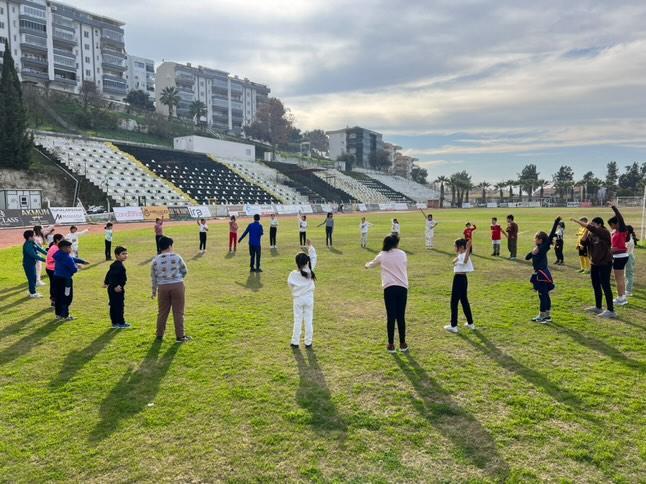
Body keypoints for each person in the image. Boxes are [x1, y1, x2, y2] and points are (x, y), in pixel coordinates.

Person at [365, 235, 409, 353]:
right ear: (396, 243)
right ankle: (403, 343)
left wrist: (366, 265)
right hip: (402, 287)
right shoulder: (402, 254)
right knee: (401, 316)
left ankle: (391, 344)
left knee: (391, 316)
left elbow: (373, 264)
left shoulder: (382, 255)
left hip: (389, 287)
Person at [571, 216, 615, 318]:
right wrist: (586, 230)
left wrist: (579, 222)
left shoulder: (604, 232)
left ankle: (611, 310)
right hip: (594, 263)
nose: (591, 226)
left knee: (606, 286)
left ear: (599, 225)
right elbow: (583, 242)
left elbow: (593, 228)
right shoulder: (591, 233)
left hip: (605, 263)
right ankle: (598, 307)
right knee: (596, 285)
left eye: (594, 224)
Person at [151, 236, 191, 342]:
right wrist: (178, 278)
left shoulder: (155, 260)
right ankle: (180, 336)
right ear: (170, 246)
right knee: (178, 311)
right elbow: (184, 270)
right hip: (177, 285)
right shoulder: (176, 257)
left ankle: (159, 335)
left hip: (162, 287)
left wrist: (154, 290)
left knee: (162, 312)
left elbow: (153, 277)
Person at [526, 218, 560, 323]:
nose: (534, 239)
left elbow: (550, 236)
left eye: (536, 238)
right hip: (541, 274)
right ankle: (547, 315)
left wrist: (555, 222)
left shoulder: (543, 247)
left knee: (543, 295)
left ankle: (542, 316)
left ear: (540, 240)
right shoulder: (537, 248)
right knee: (545, 294)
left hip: (542, 275)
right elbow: (527, 257)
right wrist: (531, 253)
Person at [289, 240, 318, 349]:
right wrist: (310, 246)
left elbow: (290, 286)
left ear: (297, 263)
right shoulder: (310, 271)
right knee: (308, 320)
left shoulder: (293, 274)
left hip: (298, 299)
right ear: (307, 262)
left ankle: (295, 342)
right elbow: (314, 257)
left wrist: (295, 293)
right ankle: (308, 342)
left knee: (297, 320)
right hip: (309, 299)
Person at [444, 238, 475, 333]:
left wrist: (468, 247)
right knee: (464, 301)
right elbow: (455, 260)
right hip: (463, 280)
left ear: (461, 247)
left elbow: (465, 260)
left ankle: (453, 325)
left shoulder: (464, 255)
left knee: (454, 302)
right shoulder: (460, 255)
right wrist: (456, 258)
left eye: (455, 246)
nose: (454, 247)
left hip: (458, 280)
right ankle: (470, 323)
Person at [53, 239, 88, 321]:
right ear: (63, 248)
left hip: (56, 278)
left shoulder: (58, 254)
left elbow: (71, 258)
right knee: (67, 297)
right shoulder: (67, 258)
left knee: (58, 296)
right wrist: (78, 267)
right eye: (69, 247)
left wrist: (81, 261)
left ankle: (58, 314)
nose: (70, 249)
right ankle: (65, 315)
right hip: (66, 280)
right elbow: (73, 269)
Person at [103, 246, 131, 329]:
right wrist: (116, 286)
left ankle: (114, 322)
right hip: (116, 289)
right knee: (119, 305)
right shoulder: (119, 266)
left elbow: (108, 274)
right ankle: (121, 323)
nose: (125, 255)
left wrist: (106, 282)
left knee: (113, 305)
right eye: (123, 254)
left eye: (126, 253)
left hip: (112, 288)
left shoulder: (114, 265)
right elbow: (118, 278)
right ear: (117, 255)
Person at [607, 204, 629, 306]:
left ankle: (620, 298)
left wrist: (614, 208)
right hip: (619, 256)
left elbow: (620, 218)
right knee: (620, 278)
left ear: (615, 224)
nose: (611, 227)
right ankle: (623, 297)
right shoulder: (615, 231)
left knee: (618, 278)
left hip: (620, 257)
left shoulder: (621, 230)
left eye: (611, 224)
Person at [22, 230, 47, 298]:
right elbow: (34, 255)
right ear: (30, 237)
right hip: (28, 265)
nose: (35, 237)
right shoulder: (27, 245)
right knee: (32, 278)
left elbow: (39, 249)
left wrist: (48, 254)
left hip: (32, 263)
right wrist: (45, 260)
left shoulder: (32, 242)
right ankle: (33, 293)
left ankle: (31, 291)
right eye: (34, 235)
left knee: (34, 278)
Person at [46, 234, 65, 307]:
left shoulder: (55, 247)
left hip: (51, 269)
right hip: (52, 269)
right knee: (56, 285)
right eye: (62, 239)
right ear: (57, 240)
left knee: (54, 285)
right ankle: (54, 300)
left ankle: (54, 300)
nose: (63, 241)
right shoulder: (55, 248)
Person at [625, 225, 638, 297]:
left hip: (629, 257)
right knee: (627, 274)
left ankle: (628, 291)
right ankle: (627, 289)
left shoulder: (629, 240)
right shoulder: (628, 238)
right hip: (628, 256)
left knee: (629, 274)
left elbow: (624, 249)